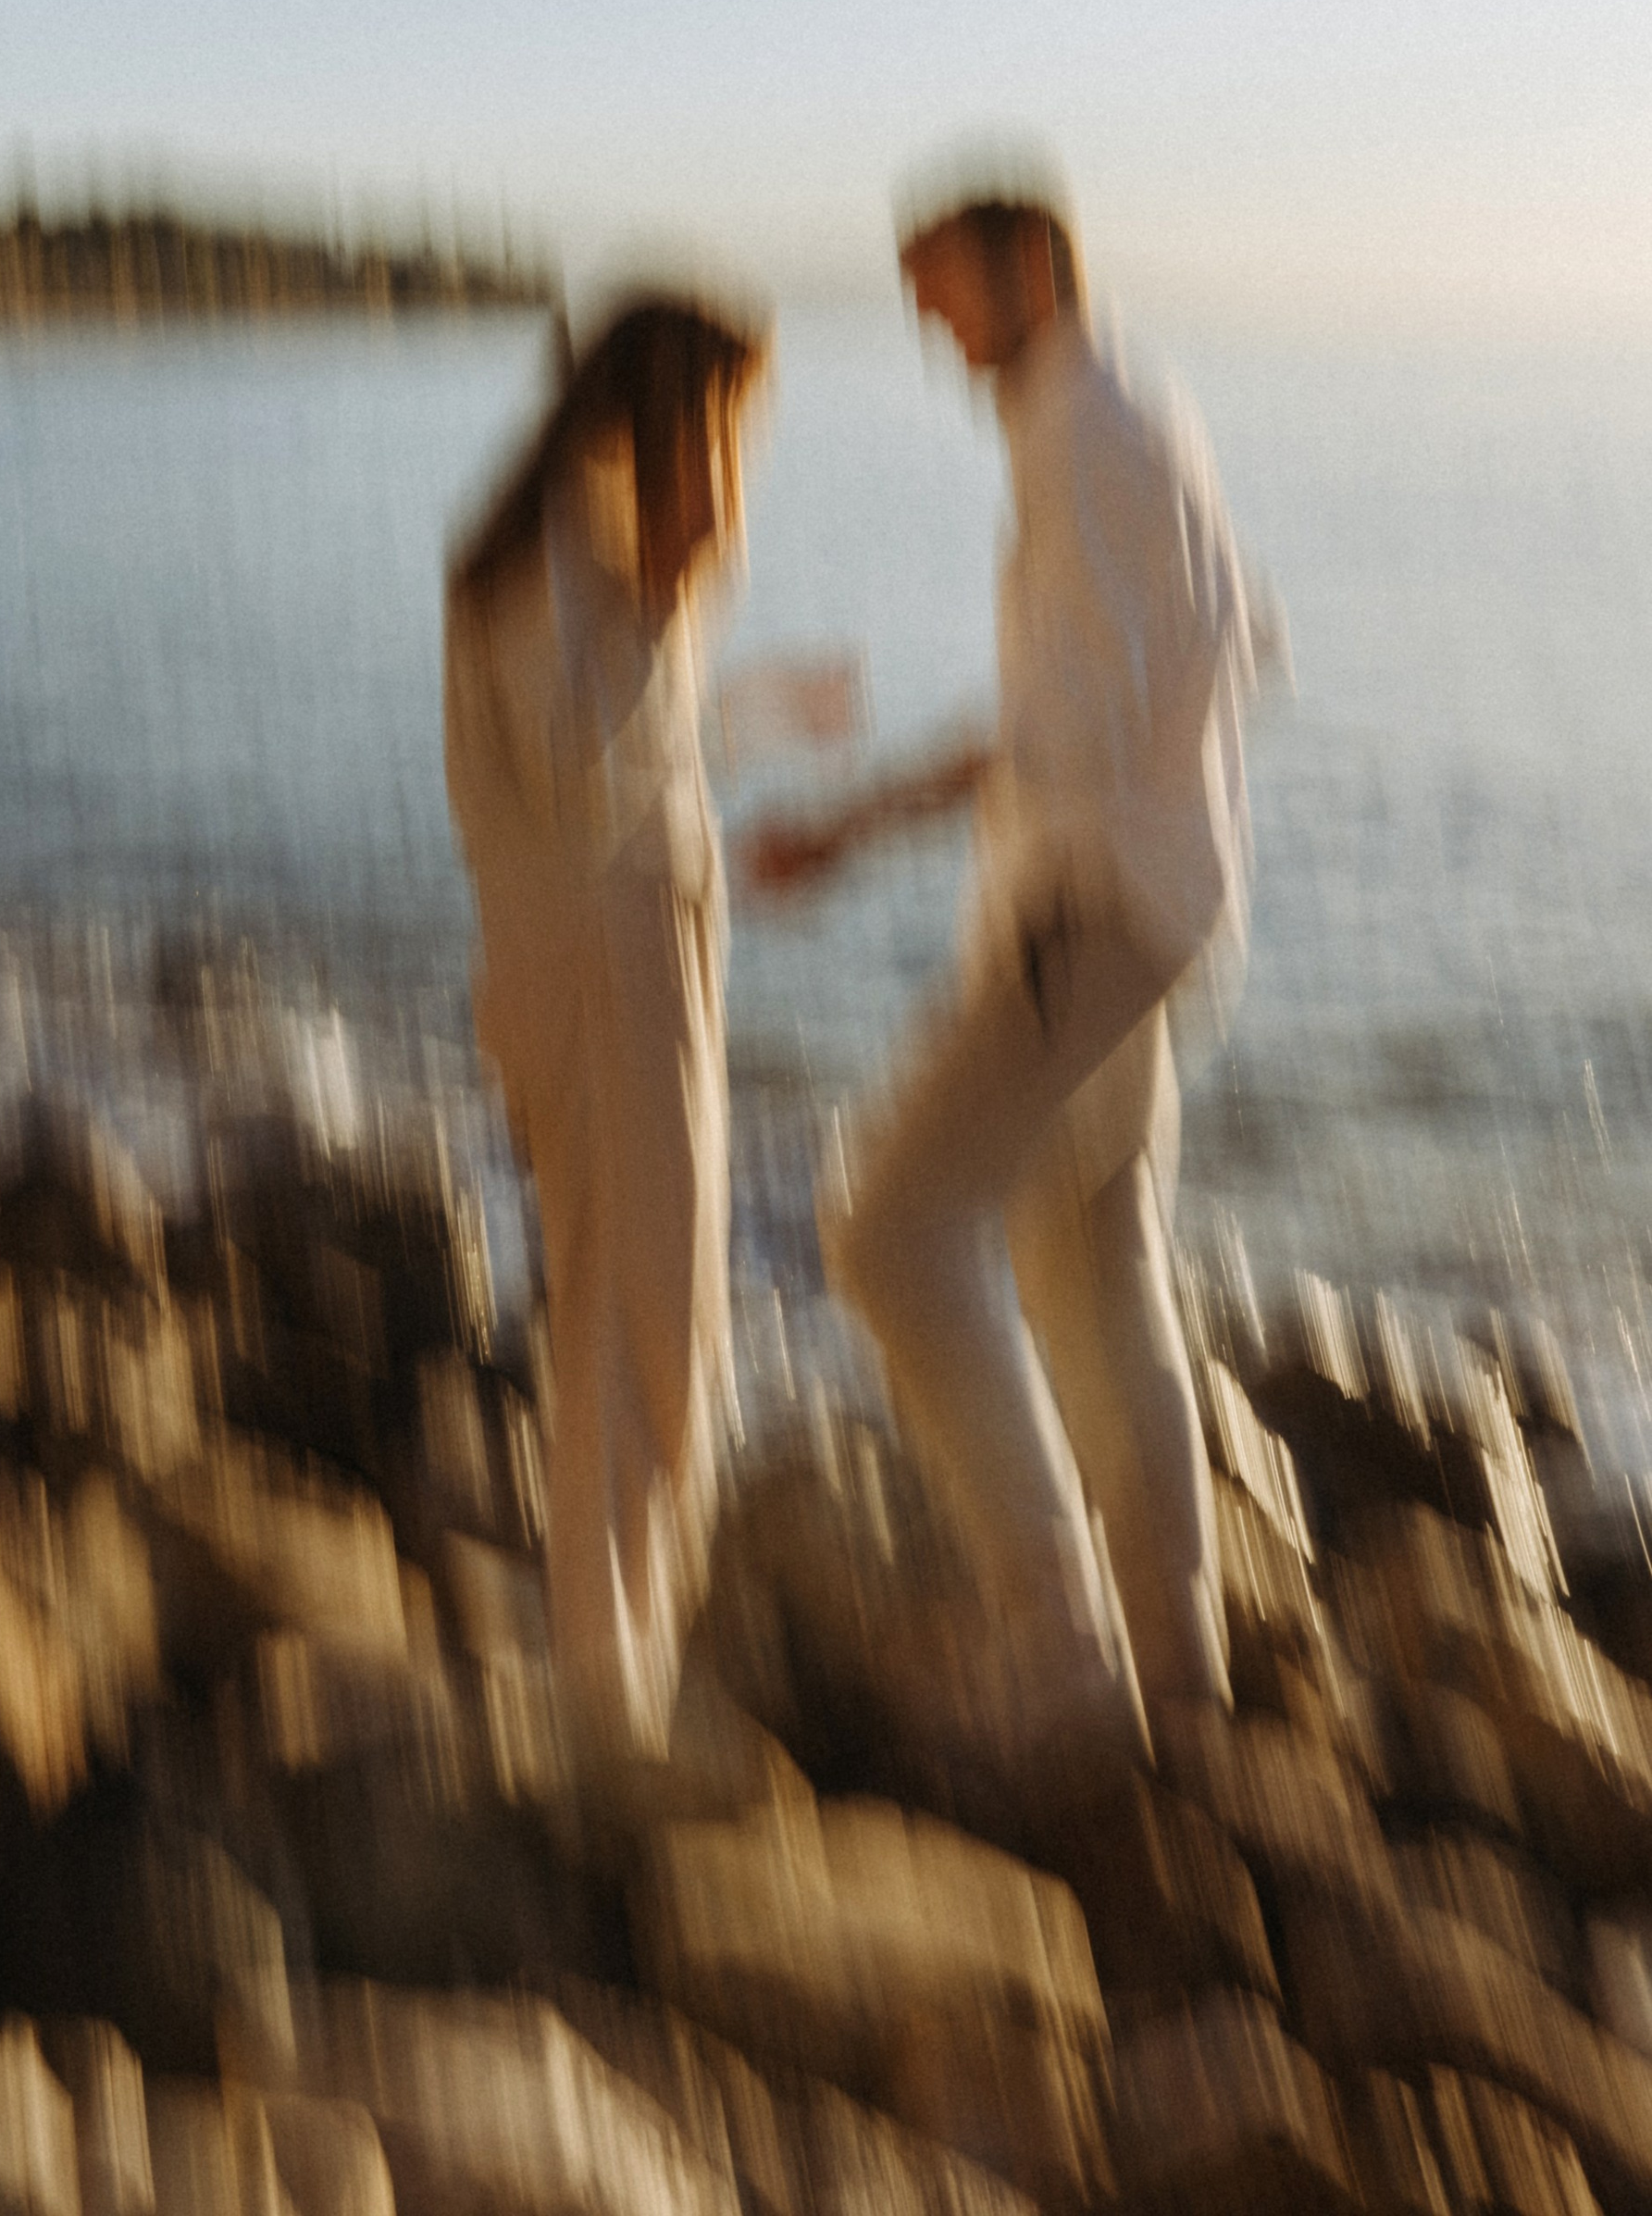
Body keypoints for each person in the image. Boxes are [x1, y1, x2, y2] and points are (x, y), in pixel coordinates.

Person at [744, 178, 1278, 1747]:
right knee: (1089, 1264)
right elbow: (1206, 653)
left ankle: (1060, 1653)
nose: (928, 329)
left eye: (944, 290)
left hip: (1101, 919)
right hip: (1170, 907)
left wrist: (844, 825)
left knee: (890, 1232)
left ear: (1032, 262)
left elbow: (1068, 736)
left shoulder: (1086, 437)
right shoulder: (1123, 410)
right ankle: (1181, 1688)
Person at [443, 293, 770, 1763]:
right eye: (722, 419)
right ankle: (605, 1694)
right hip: (592, 978)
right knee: (633, 1315)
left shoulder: (591, 547)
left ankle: (628, 1662)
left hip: (635, 960)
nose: (732, 455)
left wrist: (736, 695)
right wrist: (674, 593)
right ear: (667, 412)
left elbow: (638, 762)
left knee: (662, 1305)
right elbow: (583, 775)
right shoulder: (545, 560)